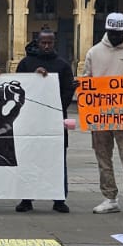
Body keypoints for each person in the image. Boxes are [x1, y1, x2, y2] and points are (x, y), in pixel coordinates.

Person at [81, 12, 123, 217]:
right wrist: (83, 86)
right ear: (106, 30)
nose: (114, 36)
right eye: (111, 33)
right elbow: (87, 78)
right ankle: (109, 197)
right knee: (103, 157)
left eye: (118, 33)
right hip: (100, 114)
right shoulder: (94, 52)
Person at [16, 29, 75, 213]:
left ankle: (59, 199)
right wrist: (34, 78)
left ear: (54, 43)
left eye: (50, 42)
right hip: (29, 119)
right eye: (44, 42)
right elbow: (18, 86)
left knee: (57, 160)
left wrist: (56, 107)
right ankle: (26, 198)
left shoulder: (62, 65)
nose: (47, 46)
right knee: (28, 159)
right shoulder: (26, 63)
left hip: (54, 120)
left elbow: (68, 91)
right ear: (38, 42)